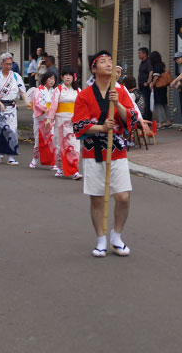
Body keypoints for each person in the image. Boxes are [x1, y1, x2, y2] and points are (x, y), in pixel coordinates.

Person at [72, 51, 138, 258]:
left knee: (123, 196)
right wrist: (101, 127)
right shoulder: (84, 95)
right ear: (94, 68)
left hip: (117, 150)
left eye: (111, 61)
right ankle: (100, 239)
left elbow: (132, 119)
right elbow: (78, 125)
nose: (108, 64)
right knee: (97, 198)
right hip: (94, 151)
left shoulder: (120, 91)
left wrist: (117, 104)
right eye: (103, 61)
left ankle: (116, 235)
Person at [0, 52, 30, 165]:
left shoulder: (16, 77)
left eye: (10, 64)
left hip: (11, 107)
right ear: (1, 64)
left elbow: (22, 91)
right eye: (6, 64)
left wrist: (26, 101)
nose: (9, 66)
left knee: (12, 131)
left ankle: (11, 155)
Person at [48, 66, 82, 180]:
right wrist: (49, 119)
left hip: (74, 121)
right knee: (60, 145)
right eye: (66, 75)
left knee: (74, 145)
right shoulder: (58, 90)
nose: (68, 77)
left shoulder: (78, 90)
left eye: (70, 75)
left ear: (74, 77)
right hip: (61, 121)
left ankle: (74, 170)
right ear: (62, 77)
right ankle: (60, 167)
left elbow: (82, 106)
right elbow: (53, 106)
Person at [30, 70, 57, 169]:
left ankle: (52, 162)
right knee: (38, 139)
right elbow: (36, 103)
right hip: (40, 118)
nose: (52, 81)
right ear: (45, 79)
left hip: (50, 118)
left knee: (51, 139)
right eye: (50, 78)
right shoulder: (38, 90)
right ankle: (35, 159)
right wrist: (45, 109)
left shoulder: (54, 91)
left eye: (53, 79)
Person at [149, 51, 172, 129]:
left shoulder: (156, 66)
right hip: (163, 87)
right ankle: (168, 121)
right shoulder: (162, 65)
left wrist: (152, 84)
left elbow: (156, 77)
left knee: (158, 105)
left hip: (158, 88)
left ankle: (161, 123)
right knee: (165, 104)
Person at [137, 47, 152, 120]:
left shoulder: (148, 62)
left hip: (145, 86)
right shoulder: (142, 63)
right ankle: (144, 118)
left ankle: (147, 119)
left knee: (146, 103)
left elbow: (151, 72)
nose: (138, 55)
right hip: (141, 86)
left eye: (140, 53)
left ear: (145, 54)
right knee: (142, 102)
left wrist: (148, 82)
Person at [170, 52, 182, 130]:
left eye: (178, 58)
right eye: (175, 59)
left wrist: (178, 84)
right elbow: (181, 75)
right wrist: (176, 82)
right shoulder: (181, 66)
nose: (176, 60)